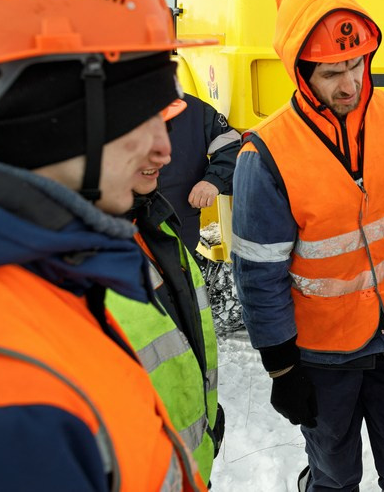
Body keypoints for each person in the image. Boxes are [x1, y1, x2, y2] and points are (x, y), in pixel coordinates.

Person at [0, 0, 206, 490]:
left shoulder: (47, 273)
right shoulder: (6, 393)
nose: (163, 147)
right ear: (61, 119)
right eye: (142, 115)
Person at [231, 0, 384, 492]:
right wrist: (281, 367)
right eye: (333, 72)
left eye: (356, 65)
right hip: (323, 356)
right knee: (335, 474)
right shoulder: (266, 155)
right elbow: (258, 274)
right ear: (300, 71)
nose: (350, 84)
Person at [106, 96, 224, 482]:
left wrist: (205, 415)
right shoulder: (61, 265)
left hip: (189, 461)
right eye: (138, 133)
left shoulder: (160, 230)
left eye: (166, 128)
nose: (165, 152)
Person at [157, 93, 240, 255]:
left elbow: (233, 146)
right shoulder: (100, 110)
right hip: (121, 239)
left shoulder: (193, 109)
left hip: (181, 239)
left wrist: (214, 180)